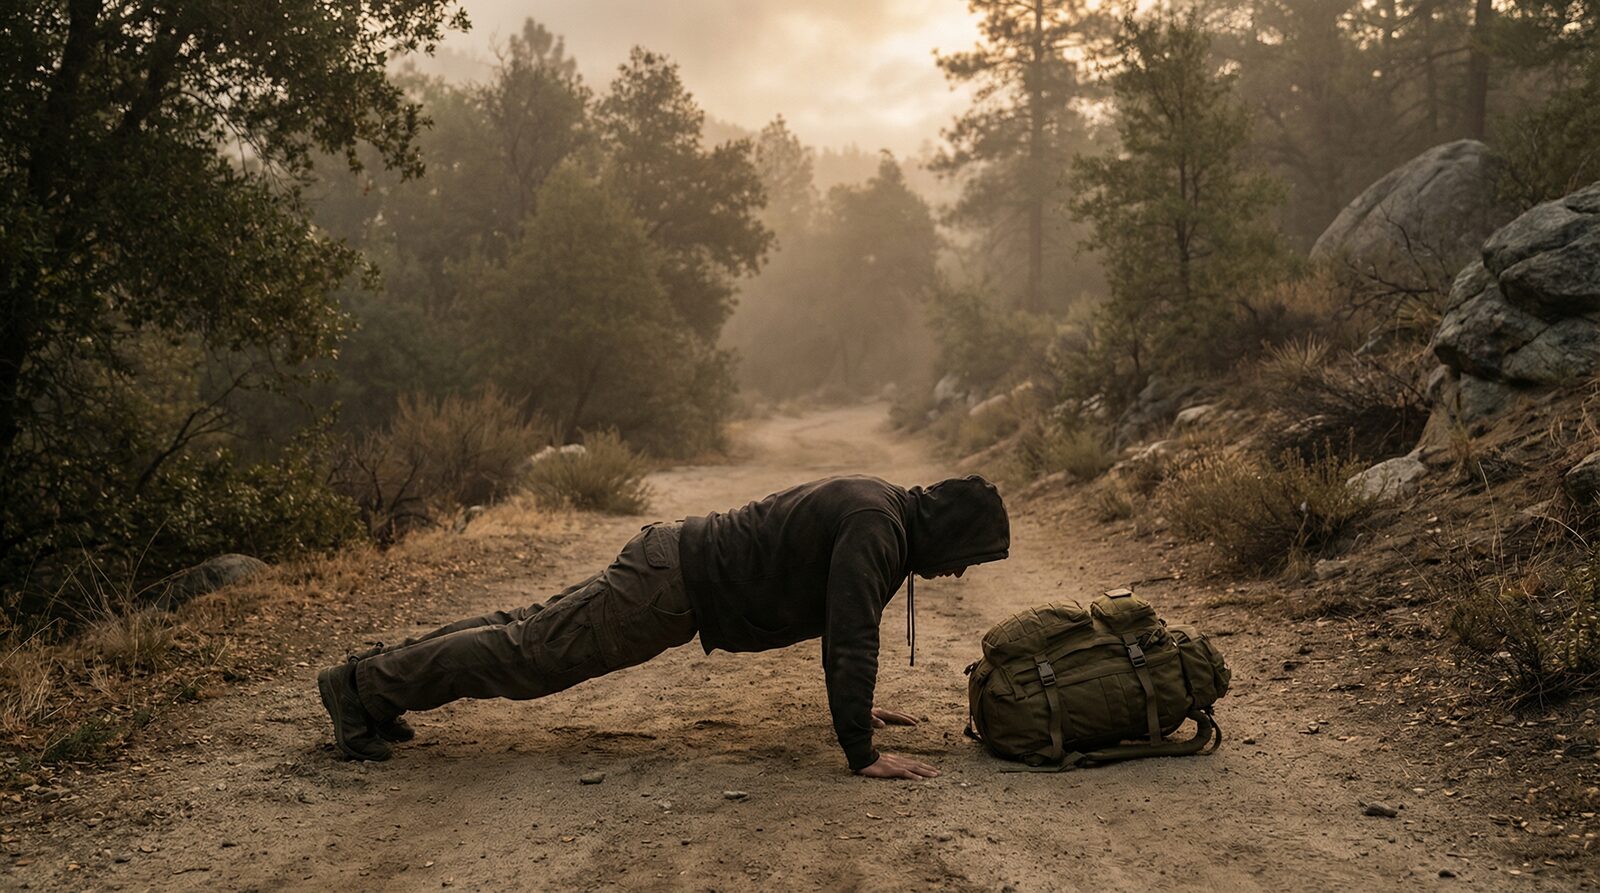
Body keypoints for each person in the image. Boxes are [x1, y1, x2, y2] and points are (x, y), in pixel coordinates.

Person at [317, 474, 1009, 779]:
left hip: (669, 563)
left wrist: (860, 706)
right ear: (951, 534)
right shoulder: (877, 527)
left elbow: (837, 616)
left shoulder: (883, 510)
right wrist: (860, 750)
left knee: (522, 629)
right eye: (971, 557)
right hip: (669, 585)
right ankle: (364, 687)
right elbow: (854, 632)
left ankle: (370, 684)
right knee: (529, 652)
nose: (963, 572)